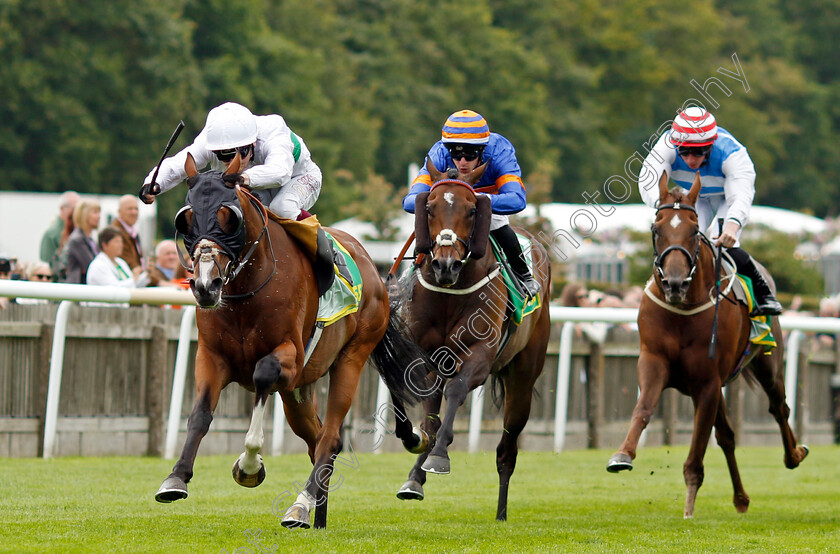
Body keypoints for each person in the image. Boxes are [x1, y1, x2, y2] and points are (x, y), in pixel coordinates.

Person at [638, 106, 782, 316]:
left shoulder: (732, 154)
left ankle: (763, 293)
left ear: (711, 145)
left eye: (699, 151)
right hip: (693, 197)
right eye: (684, 151)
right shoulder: (665, 145)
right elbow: (649, 181)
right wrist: (665, 208)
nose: (690, 158)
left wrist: (732, 226)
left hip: (726, 197)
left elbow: (740, 197)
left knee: (718, 241)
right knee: (681, 238)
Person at [403, 109, 540, 297]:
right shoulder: (439, 154)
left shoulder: (500, 152)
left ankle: (524, 275)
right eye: (456, 155)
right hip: (449, 207)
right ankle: (408, 276)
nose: (462, 162)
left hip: (486, 204)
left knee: (498, 224)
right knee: (431, 222)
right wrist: (442, 202)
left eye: (470, 155)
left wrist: (473, 200)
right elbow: (410, 201)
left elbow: (517, 199)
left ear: (482, 150)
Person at [140, 101, 322, 222]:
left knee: (282, 207)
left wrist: (241, 178)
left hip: (299, 177)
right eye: (222, 156)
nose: (230, 162)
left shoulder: (273, 132)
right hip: (255, 186)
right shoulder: (209, 142)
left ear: (252, 143)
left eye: (237, 154)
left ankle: (328, 250)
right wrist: (154, 183)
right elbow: (177, 164)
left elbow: (280, 172)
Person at [40, 190, 80, 278]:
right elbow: (45, 263)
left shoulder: (77, 231)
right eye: (74, 208)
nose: (77, 211)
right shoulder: (52, 233)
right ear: (62, 208)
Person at [61, 200, 101, 284]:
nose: (99, 216)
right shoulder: (77, 240)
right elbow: (92, 267)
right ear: (84, 215)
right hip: (78, 289)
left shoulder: (89, 239)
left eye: (99, 212)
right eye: (95, 212)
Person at [110, 195, 144, 270]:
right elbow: (127, 262)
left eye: (136, 209)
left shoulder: (133, 232)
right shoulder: (115, 232)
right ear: (119, 211)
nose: (134, 212)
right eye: (130, 209)